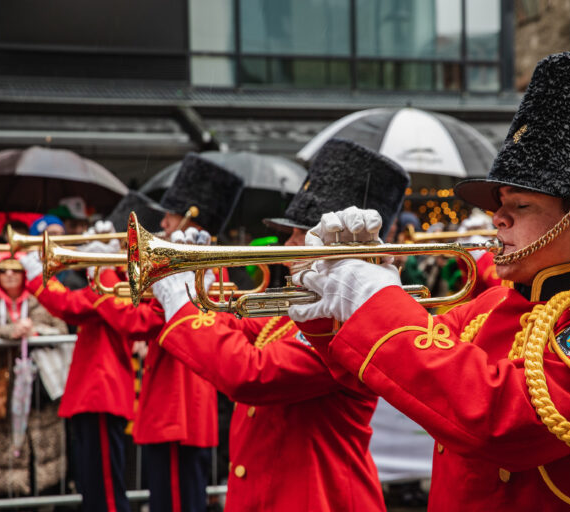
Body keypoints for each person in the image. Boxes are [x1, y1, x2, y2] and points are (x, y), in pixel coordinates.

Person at [289, 52, 570, 510]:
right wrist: (334, 308)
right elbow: (383, 379)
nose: (496, 218)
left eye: (521, 206)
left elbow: (502, 424)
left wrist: (377, 299)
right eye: (499, 203)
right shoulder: (495, 304)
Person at [150, 138, 409, 511]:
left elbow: (250, 373)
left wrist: (179, 305)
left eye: (298, 239)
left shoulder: (344, 326)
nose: (286, 251)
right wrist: (197, 288)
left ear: (335, 253)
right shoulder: (299, 313)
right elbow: (239, 331)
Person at [100, 154, 243, 512]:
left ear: (192, 220)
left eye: (170, 215)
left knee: (178, 501)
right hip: (171, 403)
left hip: (181, 406)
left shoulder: (211, 274)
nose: (162, 222)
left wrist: (101, 276)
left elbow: (141, 323)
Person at [17, 190, 166, 512]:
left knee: (105, 492)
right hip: (92, 388)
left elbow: (79, 305)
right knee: (91, 484)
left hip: (103, 388)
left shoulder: (117, 279)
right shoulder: (108, 279)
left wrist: (97, 268)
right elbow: (74, 310)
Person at [0, 252, 68, 497]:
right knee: (0, 457)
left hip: (40, 388)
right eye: (3, 269)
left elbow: (62, 328)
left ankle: (42, 496)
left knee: (42, 451)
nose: (9, 274)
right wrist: (8, 332)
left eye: (16, 269)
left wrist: (35, 331)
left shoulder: (44, 295)